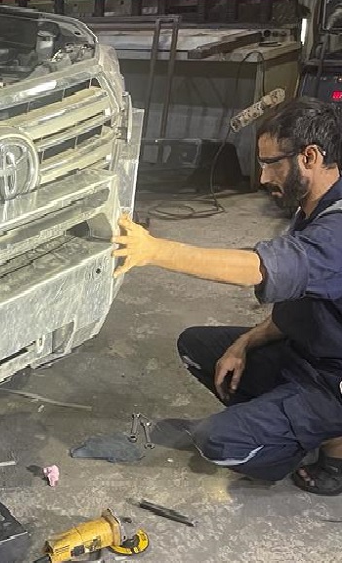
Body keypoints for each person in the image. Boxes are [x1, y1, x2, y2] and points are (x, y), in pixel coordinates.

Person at [112, 97, 342, 496]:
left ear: (310, 157)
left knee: (216, 442)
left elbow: (259, 268)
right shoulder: (315, 205)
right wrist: (245, 342)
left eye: (272, 163)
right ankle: (290, 420)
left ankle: (319, 445)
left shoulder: (336, 231)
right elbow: (307, 299)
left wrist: (154, 251)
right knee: (198, 346)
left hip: (332, 380)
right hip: (306, 351)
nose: (263, 176)